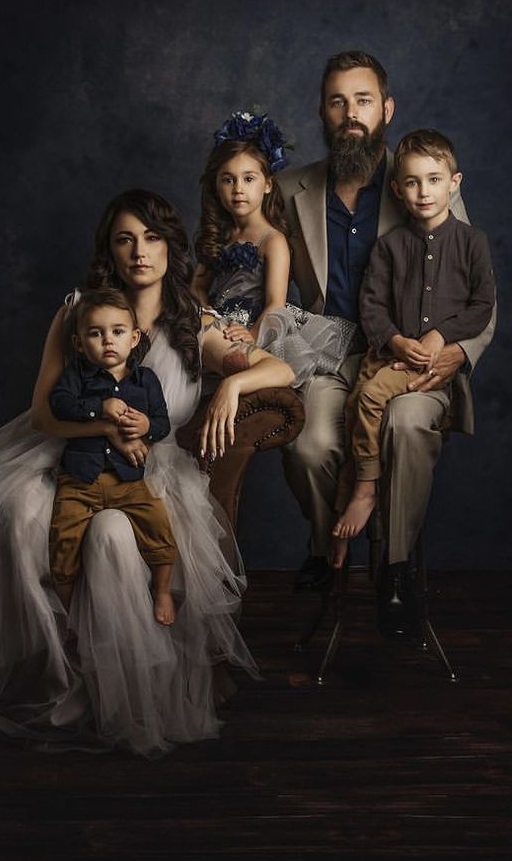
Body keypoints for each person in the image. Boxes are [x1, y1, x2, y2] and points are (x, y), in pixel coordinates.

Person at [0, 189, 294, 764]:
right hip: (66, 453)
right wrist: (103, 428)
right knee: (18, 514)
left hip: (148, 471)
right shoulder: (80, 310)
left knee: (113, 537)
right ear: (109, 248)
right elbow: (42, 414)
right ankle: (43, 680)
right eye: (125, 239)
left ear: (171, 248)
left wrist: (231, 383)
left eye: (152, 238)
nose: (139, 252)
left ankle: (115, 693)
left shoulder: (195, 324)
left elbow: (279, 367)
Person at [276, 51, 495, 627]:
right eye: (338, 101)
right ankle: (330, 551)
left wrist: (457, 352)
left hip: (414, 359)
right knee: (308, 446)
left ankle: (393, 570)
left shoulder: (421, 176)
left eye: (364, 100)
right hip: (327, 357)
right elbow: (251, 270)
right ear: (322, 112)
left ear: (387, 108)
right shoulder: (290, 188)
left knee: (404, 424)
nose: (351, 113)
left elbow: (479, 293)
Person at [330, 129, 496, 569]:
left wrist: (442, 337)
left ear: (454, 182)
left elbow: (483, 305)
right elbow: (371, 305)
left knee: (365, 400)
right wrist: (396, 339)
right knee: (352, 412)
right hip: (391, 355)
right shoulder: (388, 247)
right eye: (413, 182)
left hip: (428, 370)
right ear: (397, 189)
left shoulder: (472, 242)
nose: (424, 191)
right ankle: (338, 541)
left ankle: (367, 492)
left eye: (434, 179)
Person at [192, 110, 355, 387]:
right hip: (219, 327)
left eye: (248, 179)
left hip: (257, 328)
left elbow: (275, 304)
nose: (238, 189)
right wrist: (208, 314)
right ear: (217, 186)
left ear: (267, 184)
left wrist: (253, 335)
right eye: (228, 179)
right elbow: (197, 284)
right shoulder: (219, 234)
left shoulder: (273, 241)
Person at [48, 287, 178, 626]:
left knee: (159, 526)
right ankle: (64, 609)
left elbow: (162, 424)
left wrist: (148, 425)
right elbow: (59, 406)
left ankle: (162, 589)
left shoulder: (146, 380)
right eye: (95, 333)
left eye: (117, 332)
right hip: (81, 479)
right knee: (64, 537)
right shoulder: (76, 375)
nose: (108, 341)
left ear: (134, 338)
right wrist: (98, 409)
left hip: (129, 478)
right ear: (79, 343)